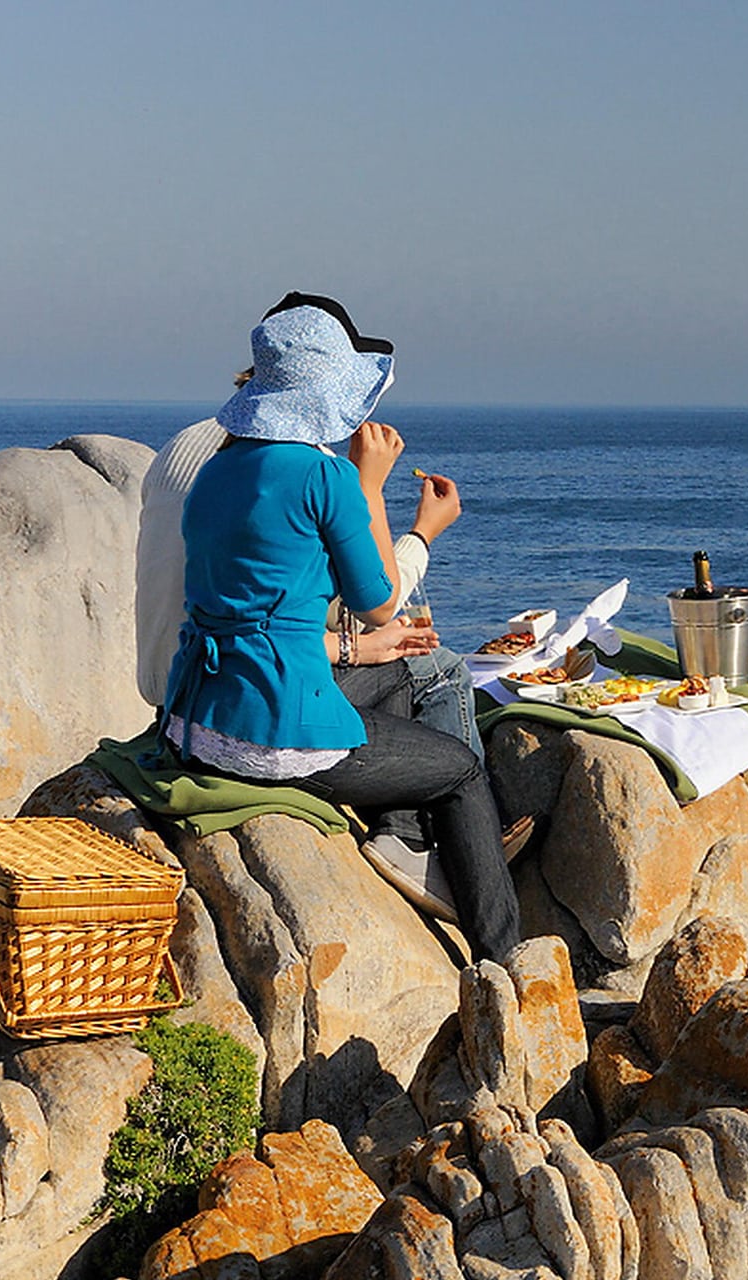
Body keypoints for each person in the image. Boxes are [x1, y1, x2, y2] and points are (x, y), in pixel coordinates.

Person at [157, 297, 520, 962]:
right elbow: (379, 603)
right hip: (269, 734)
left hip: (196, 717)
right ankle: (506, 961)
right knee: (463, 771)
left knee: (393, 679)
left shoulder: (219, 469)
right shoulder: (324, 476)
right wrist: (370, 486)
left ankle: (401, 839)